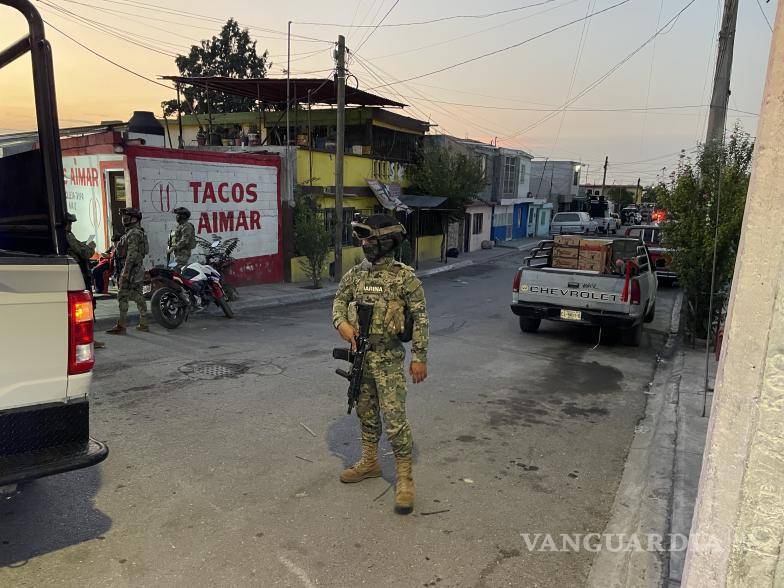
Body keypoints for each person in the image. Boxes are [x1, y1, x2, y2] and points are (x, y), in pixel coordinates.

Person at [332, 214, 429, 515]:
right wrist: (342, 326)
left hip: (388, 360)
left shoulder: (405, 277)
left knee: (395, 420)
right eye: (362, 239)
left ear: (385, 242)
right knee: (365, 413)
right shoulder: (355, 275)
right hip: (361, 356)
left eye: (369, 239)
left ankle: (404, 479)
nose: (363, 244)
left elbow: (421, 317)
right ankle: (370, 462)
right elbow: (338, 301)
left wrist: (420, 357)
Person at [65, 212, 105, 349]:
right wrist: (91, 246)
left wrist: (84, 244)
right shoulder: (67, 236)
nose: (70, 225)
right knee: (87, 308)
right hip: (80, 275)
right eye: (69, 223)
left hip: (76, 274)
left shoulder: (65, 236)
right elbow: (85, 253)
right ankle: (88, 340)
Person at [107, 207, 149, 334]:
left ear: (134, 219)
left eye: (127, 216)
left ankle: (123, 325)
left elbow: (131, 254)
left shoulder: (134, 233)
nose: (124, 219)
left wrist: (125, 272)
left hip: (131, 269)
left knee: (124, 295)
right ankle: (142, 323)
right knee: (134, 294)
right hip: (134, 268)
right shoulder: (134, 232)